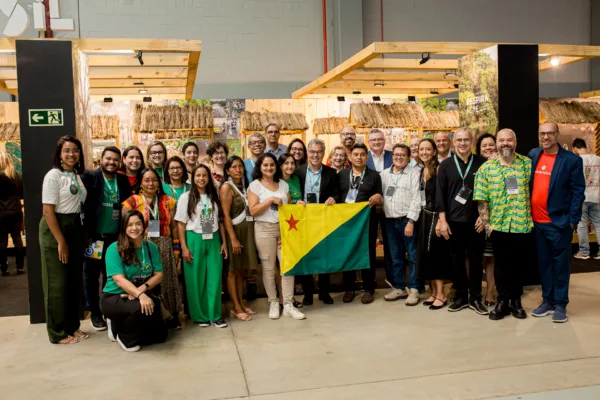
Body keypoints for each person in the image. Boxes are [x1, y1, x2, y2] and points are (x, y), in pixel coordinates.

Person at [474, 129, 532, 321]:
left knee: (519, 265)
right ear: (497, 143)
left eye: (509, 140)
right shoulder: (486, 169)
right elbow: (482, 200)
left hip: (521, 224)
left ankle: (516, 301)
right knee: (500, 266)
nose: (505, 143)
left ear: (515, 142)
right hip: (498, 226)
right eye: (501, 140)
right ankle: (503, 301)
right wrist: (487, 224)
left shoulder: (527, 164)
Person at [529, 123, 585, 323]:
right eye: (542, 133)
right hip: (537, 223)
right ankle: (548, 300)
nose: (545, 137)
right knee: (544, 265)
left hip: (559, 223)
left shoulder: (571, 160)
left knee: (561, 265)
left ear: (557, 135)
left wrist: (572, 220)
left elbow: (578, 192)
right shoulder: (533, 155)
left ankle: (561, 304)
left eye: (550, 133)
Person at [40, 136, 88, 344]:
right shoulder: (54, 176)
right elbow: (48, 211)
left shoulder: (76, 175)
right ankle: (57, 332)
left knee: (73, 282)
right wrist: (60, 241)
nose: (71, 154)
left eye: (75, 150)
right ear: (59, 153)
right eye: (67, 150)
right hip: (56, 230)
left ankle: (72, 326)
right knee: (57, 284)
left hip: (75, 228)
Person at [436, 128, 488, 315]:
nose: (463, 143)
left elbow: (489, 193)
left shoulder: (482, 163)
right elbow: (440, 195)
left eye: (466, 140)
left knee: (476, 262)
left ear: (472, 141)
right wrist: (442, 221)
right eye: (459, 140)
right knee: (456, 261)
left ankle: (475, 297)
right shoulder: (446, 166)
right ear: (454, 142)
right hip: (453, 221)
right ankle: (460, 296)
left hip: (476, 221)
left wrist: (484, 217)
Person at [122, 168, 182, 329]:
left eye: (154, 180)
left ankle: (171, 315)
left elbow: (175, 227)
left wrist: (177, 250)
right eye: (146, 180)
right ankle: (152, 317)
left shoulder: (168, 201)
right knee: (148, 281)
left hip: (165, 245)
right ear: (140, 182)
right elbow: (125, 227)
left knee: (168, 281)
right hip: (141, 246)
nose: (151, 183)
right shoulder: (132, 202)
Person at [248, 153, 305, 320]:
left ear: (276, 167)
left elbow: (288, 208)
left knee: (287, 266)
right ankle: (273, 301)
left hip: (283, 230)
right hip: (263, 229)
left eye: (272, 165)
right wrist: (269, 200)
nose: (269, 168)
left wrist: (298, 205)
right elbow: (253, 210)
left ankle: (287, 303)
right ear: (260, 167)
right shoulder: (255, 186)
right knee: (268, 268)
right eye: (265, 165)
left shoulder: (283, 185)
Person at [100, 210, 167, 352]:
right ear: (124, 227)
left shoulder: (151, 247)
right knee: (140, 309)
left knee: (160, 336)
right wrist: (140, 295)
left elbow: (159, 275)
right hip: (114, 297)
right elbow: (119, 280)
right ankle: (124, 336)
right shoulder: (114, 248)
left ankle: (123, 322)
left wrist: (140, 291)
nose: (134, 228)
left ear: (143, 226)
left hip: (136, 294)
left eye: (138, 224)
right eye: (129, 225)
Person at [81, 146, 131, 331]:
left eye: (115, 160)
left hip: (114, 239)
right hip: (95, 238)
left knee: (112, 276)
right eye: (108, 158)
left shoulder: (123, 180)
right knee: (92, 276)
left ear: (120, 162)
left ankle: (109, 311)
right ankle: (95, 313)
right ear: (101, 159)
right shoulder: (90, 177)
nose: (111, 162)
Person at [176, 164, 229, 328]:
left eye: (204, 175)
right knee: (195, 279)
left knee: (215, 277)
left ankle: (215, 314)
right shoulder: (185, 197)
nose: (201, 178)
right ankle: (200, 315)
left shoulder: (214, 196)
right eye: (198, 175)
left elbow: (220, 221)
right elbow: (180, 224)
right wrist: (184, 247)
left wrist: (224, 242)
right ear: (193, 178)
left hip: (213, 238)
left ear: (209, 177)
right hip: (194, 238)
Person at [337, 143, 383, 304]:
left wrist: (378, 199)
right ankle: (349, 288)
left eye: (362, 154)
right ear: (349, 157)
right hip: (346, 223)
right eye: (355, 154)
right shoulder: (341, 175)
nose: (359, 157)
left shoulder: (374, 176)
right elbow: (336, 198)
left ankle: (369, 289)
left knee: (367, 254)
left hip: (366, 222)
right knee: (348, 253)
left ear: (367, 157)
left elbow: (381, 199)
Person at [294, 138, 338, 305]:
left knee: (324, 255)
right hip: (304, 220)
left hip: (323, 220)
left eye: (319, 152)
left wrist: (334, 198)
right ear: (308, 153)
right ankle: (308, 293)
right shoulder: (298, 172)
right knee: (307, 256)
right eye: (312, 152)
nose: (315, 155)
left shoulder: (331, 173)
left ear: (323, 153)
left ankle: (324, 291)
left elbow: (337, 194)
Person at [380, 144, 421, 306]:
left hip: (407, 220)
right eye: (396, 154)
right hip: (389, 221)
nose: (399, 157)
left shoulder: (414, 174)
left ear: (409, 157)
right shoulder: (383, 175)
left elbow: (416, 199)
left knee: (412, 256)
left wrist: (411, 221)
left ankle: (414, 288)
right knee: (395, 257)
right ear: (392, 156)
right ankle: (398, 287)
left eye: (403, 155)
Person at [220, 157, 259, 321]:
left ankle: (241, 303)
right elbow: (225, 215)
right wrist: (233, 239)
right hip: (234, 234)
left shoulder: (244, 186)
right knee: (232, 271)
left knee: (242, 270)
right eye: (234, 167)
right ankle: (235, 307)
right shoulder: (226, 187)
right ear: (228, 170)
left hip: (246, 233)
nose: (237, 169)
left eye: (240, 166)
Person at [415, 139, 451, 310]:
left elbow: (441, 196)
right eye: (421, 149)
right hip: (424, 215)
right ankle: (434, 292)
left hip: (436, 216)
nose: (424, 152)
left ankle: (441, 294)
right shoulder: (422, 169)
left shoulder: (439, 168)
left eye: (428, 149)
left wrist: (439, 220)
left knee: (436, 255)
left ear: (434, 150)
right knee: (427, 255)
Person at [365, 129, 393, 292]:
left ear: (384, 140)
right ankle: (370, 282)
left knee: (390, 245)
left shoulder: (392, 156)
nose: (376, 142)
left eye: (379, 139)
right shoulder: (364, 157)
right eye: (373, 140)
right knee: (369, 247)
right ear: (369, 142)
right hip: (369, 209)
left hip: (390, 207)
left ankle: (392, 280)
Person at [476, 133, 498, 306]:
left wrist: (485, 218)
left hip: (493, 219)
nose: (488, 148)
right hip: (474, 220)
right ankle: (474, 291)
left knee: (490, 258)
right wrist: (479, 216)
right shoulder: (474, 164)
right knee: (473, 257)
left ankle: (490, 292)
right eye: (484, 145)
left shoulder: (502, 165)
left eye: (491, 144)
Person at [572, 138, 600, 260]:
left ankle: (584, 252)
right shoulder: (598, 159)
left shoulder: (576, 160)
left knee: (581, 225)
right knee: (599, 224)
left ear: (574, 148)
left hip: (581, 197)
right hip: (596, 196)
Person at [0, 152, 24, 276]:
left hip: (1, 213)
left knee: (2, 242)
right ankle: (20, 267)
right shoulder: (18, 176)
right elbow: (22, 195)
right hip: (16, 211)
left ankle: (4, 268)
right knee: (17, 239)